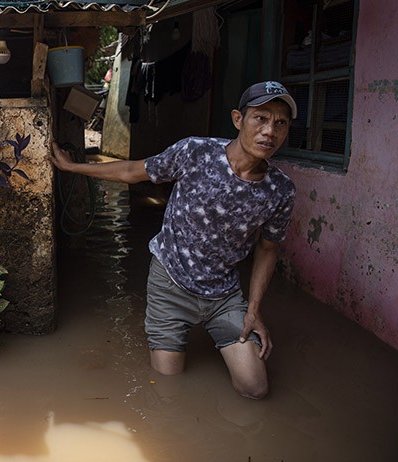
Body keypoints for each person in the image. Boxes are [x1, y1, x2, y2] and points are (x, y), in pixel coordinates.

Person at [49, 81, 297, 399]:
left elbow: (268, 247)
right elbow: (131, 171)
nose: (269, 131)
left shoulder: (280, 190)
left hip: (223, 295)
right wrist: (72, 167)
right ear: (238, 119)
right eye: (260, 118)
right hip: (170, 285)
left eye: (280, 123)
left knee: (255, 387)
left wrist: (254, 310)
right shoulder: (195, 152)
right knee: (168, 385)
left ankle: (225, 329)